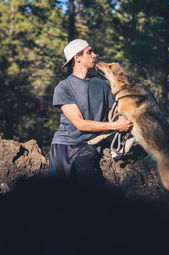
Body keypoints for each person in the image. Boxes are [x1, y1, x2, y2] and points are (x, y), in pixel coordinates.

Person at [49, 39, 133, 186]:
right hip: (63, 145)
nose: (95, 55)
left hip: (90, 145)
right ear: (77, 57)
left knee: (87, 184)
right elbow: (80, 124)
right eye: (89, 52)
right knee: (58, 194)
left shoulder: (102, 85)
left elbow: (111, 115)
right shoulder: (64, 87)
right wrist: (115, 126)